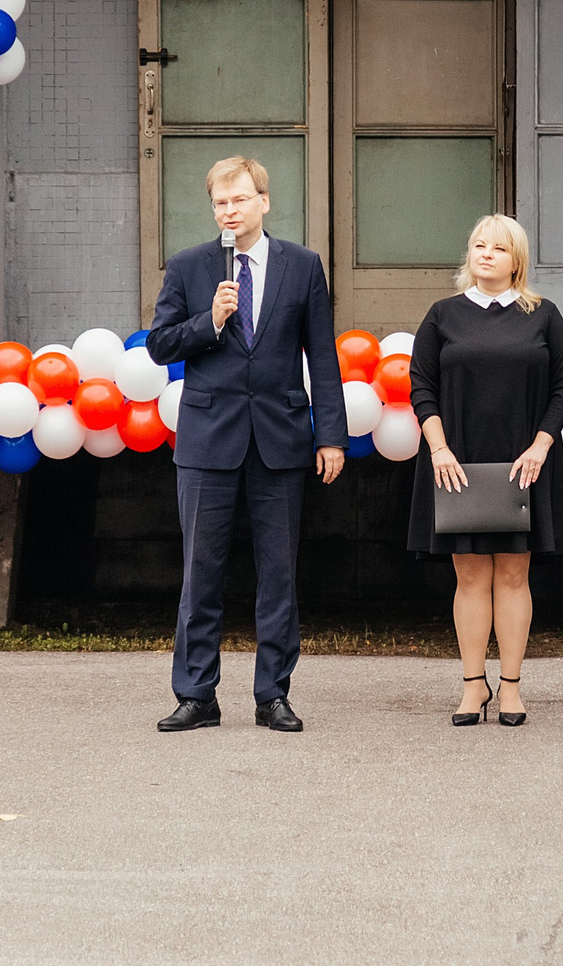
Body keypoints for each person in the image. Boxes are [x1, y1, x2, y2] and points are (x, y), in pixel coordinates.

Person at [143, 156, 346, 734]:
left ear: (263, 201)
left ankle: (273, 694)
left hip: (280, 440)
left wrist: (330, 435)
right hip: (208, 442)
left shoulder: (303, 266)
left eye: (239, 200)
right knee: (200, 572)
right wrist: (208, 321)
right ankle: (196, 695)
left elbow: (322, 358)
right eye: (219, 203)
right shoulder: (189, 266)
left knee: (278, 573)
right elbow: (159, 345)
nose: (229, 211)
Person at [407, 214, 563, 728]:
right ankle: (471, 684)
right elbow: (421, 384)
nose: (486, 254)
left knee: (513, 571)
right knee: (469, 575)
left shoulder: (542, 315)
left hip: (525, 462)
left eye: (498, 248)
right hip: (455, 463)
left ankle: (510, 686)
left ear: (516, 260)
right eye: (479, 245)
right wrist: (438, 449)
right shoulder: (443, 315)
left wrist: (542, 445)